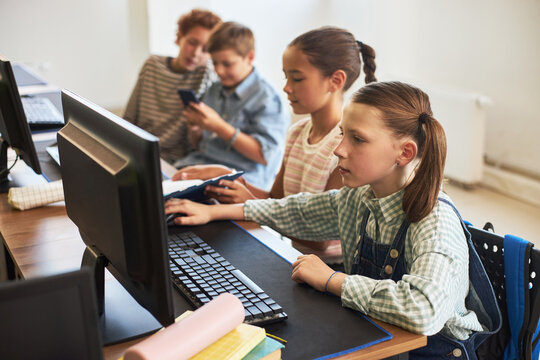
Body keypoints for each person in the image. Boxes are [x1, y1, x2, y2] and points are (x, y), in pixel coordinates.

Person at [164, 81, 501, 359]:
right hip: (380, 335)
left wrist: (330, 280)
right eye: (342, 134)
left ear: (405, 153)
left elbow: (422, 310)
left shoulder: (434, 222)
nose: (339, 149)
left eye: (358, 139)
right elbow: (299, 210)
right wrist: (216, 211)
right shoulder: (360, 195)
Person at [172, 26, 377, 265]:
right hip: (294, 258)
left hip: (331, 269)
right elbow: (276, 199)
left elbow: (320, 237)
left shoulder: (344, 147)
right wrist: (229, 178)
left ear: (335, 80)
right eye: (286, 76)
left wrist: (249, 203)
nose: (287, 87)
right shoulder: (297, 133)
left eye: (297, 78)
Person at [172, 21, 290, 190]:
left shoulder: (268, 99)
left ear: (249, 57)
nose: (219, 71)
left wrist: (219, 126)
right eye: (215, 63)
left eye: (227, 64)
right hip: (198, 167)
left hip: (239, 180)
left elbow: (266, 156)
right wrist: (196, 129)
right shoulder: (215, 89)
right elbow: (200, 145)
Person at [123, 9, 221, 164]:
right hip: (140, 152)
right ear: (179, 37)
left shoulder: (207, 75)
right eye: (192, 42)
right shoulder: (152, 65)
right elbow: (129, 118)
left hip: (175, 162)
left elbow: (199, 142)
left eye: (205, 49)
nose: (196, 53)